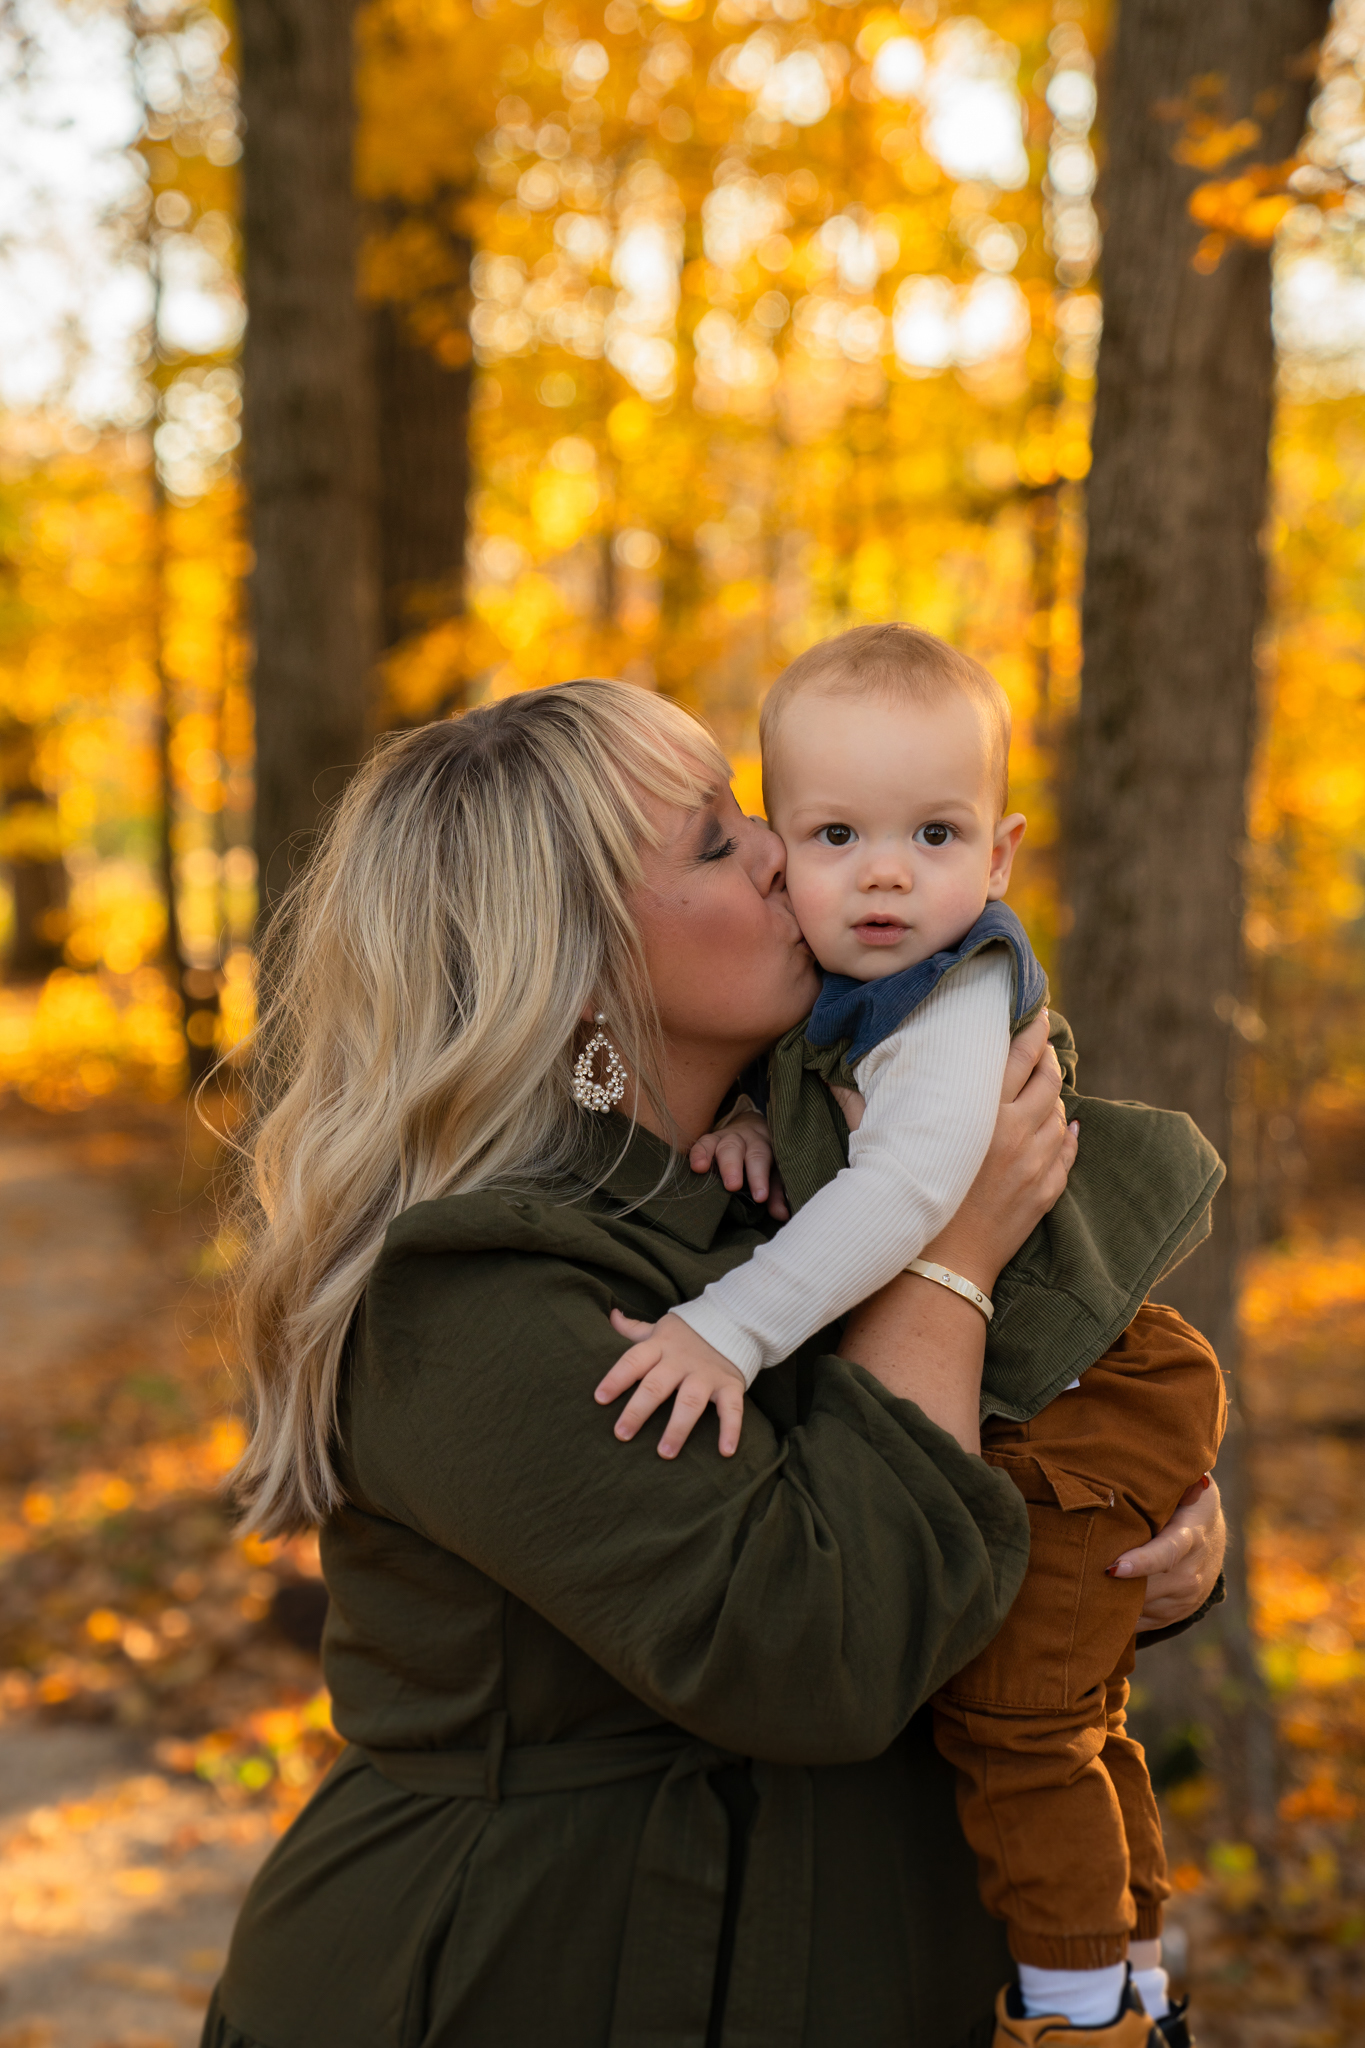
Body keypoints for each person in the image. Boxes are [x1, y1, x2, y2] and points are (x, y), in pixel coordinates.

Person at [202, 679, 1225, 2048]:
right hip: (522, 1978)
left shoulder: (791, 1180)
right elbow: (825, 1643)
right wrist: (949, 1254)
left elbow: (984, 1494)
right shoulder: (473, 1297)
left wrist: (1134, 1536)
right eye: (708, 842)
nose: (777, 850)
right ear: (569, 973)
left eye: (747, 810)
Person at [596, 627, 1226, 2047]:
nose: (882, 872)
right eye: (829, 835)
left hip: (1082, 1387)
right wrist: (760, 1118)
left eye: (930, 835)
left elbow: (907, 1191)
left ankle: (1077, 2016)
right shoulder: (836, 1006)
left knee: (1020, 1718)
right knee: (1071, 1710)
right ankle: (1130, 1964)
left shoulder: (953, 1000)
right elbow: (837, 1115)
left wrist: (727, 1329)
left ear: (996, 859)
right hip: (1059, 1386)